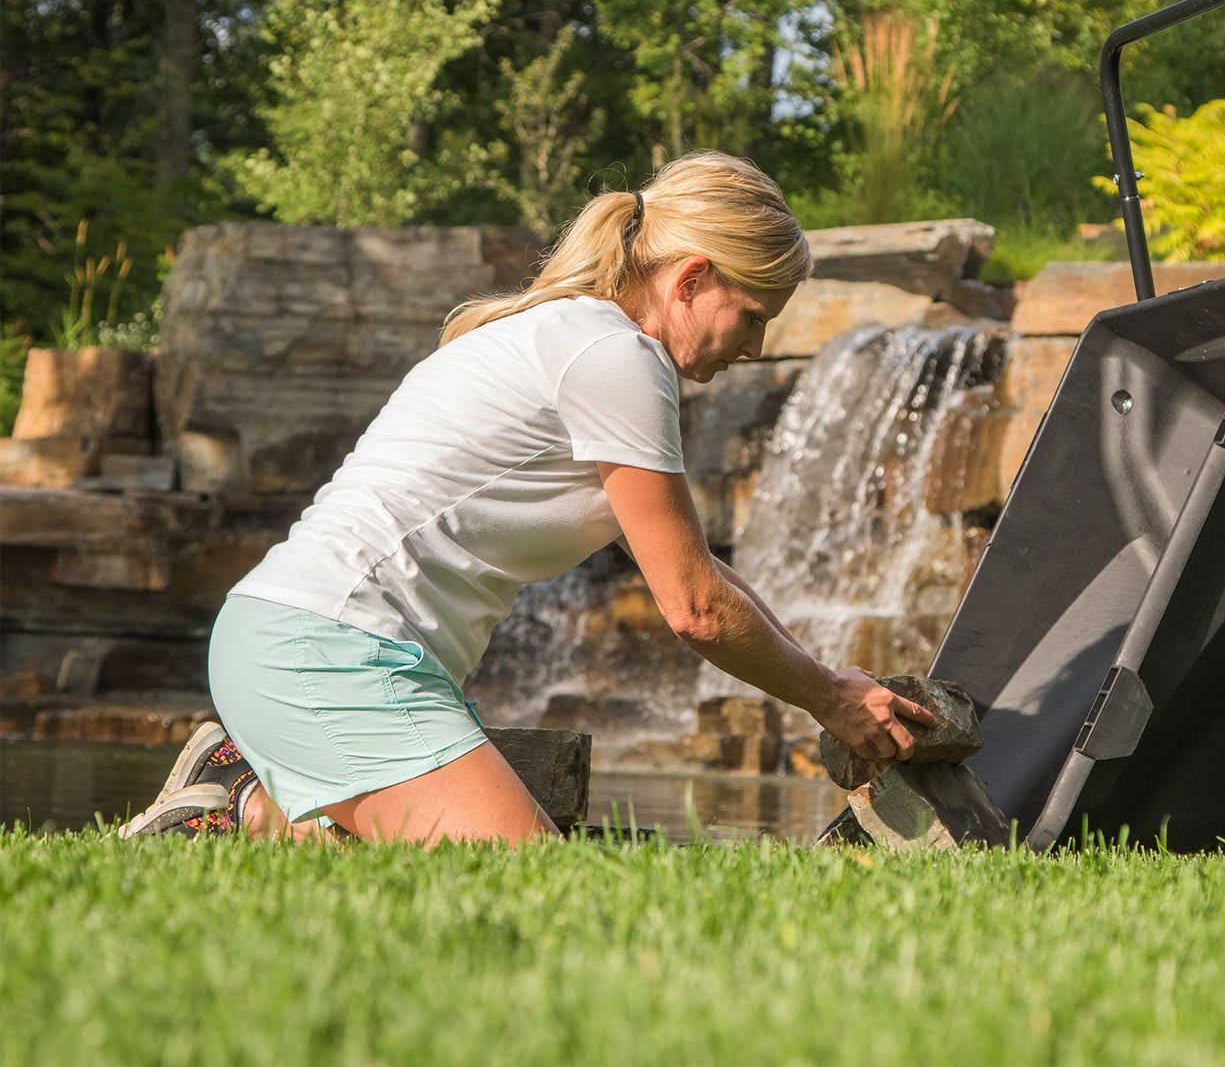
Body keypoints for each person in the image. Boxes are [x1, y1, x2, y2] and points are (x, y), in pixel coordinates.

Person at [120, 152, 934, 846]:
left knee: (415, 869)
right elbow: (694, 609)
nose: (755, 348)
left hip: (300, 637)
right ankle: (235, 795)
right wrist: (828, 698)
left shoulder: (568, 335)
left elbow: (701, 574)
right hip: (331, 648)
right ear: (691, 279)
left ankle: (231, 803)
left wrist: (829, 679)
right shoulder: (617, 359)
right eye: (752, 317)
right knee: (527, 879)